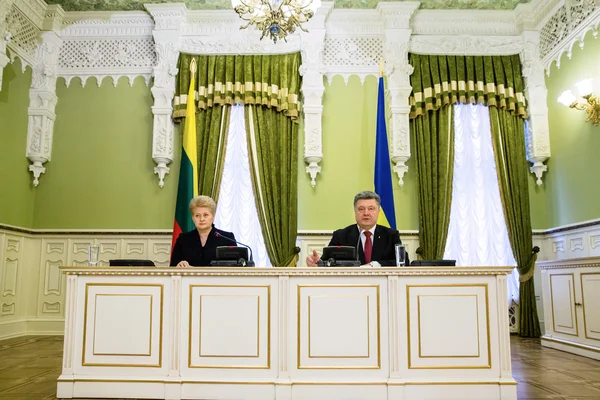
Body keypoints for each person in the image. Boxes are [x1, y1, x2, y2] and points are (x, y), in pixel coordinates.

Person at [306, 191, 409, 267]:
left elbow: (404, 261)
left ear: (378, 211)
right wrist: (318, 264)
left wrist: (374, 265)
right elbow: (328, 262)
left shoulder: (391, 235)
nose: (366, 213)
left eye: (371, 208)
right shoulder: (341, 235)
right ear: (355, 211)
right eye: (361, 209)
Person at [170, 195, 237, 267]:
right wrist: (179, 265)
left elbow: (236, 266)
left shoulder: (227, 238)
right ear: (193, 218)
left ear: (213, 216)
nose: (202, 219)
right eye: (197, 215)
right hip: (190, 278)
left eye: (205, 215)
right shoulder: (183, 239)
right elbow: (173, 266)